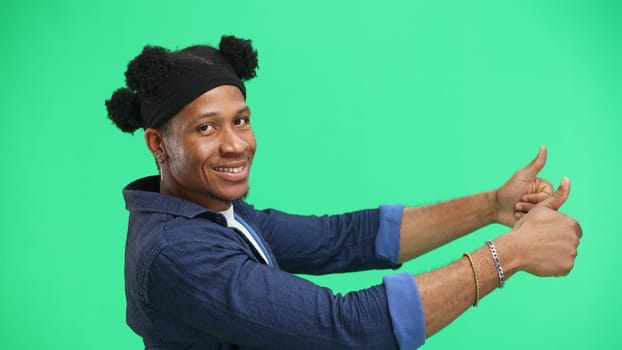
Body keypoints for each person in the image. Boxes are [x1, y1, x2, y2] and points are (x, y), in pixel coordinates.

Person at [105, 36, 582, 350]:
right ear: (158, 144)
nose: (235, 144)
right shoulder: (177, 252)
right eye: (206, 127)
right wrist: (511, 254)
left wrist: (491, 206)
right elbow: (344, 329)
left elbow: (343, 238)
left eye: (241, 120)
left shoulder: (211, 212)